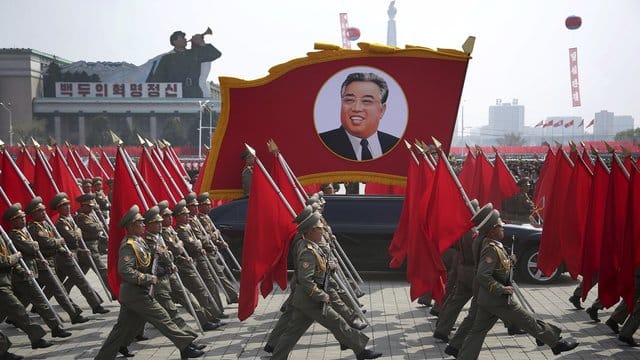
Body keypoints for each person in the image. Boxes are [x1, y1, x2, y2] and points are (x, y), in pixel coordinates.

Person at [456, 209, 579, 359]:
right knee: (528, 321)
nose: (503, 228)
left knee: (477, 332)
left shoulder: (493, 245)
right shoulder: (490, 249)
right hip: (498, 300)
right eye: (500, 225)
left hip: (488, 299)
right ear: (492, 230)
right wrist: (501, 289)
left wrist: (510, 260)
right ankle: (555, 343)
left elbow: (497, 267)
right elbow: (483, 274)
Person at [94, 205, 204, 359]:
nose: (143, 225)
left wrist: (158, 256)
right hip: (135, 292)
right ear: (132, 226)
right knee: (163, 318)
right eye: (140, 223)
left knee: (123, 327)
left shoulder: (140, 241)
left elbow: (147, 263)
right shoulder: (128, 245)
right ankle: (185, 346)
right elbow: (125, 270)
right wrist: (147, 278)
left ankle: (109, 353)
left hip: (136, 292)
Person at [270, 211, 381, 360]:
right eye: (319, 228)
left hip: (306, 300)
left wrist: (330, 267)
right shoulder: (307, 251)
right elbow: (305, 279)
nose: (322, 231)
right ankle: (361, 350)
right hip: (312, 300)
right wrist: (320, 294)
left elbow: (318, 270)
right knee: (337, 322)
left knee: (293, 331)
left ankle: (277, 357)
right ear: (310, 232)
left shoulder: (313, 246)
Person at [1, 204, 54, 351]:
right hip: (2, 285)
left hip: (7, 280)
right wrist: (16, 257)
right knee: (19, 309)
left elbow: (8, 258)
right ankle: (36, 338)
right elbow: (4, 260)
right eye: (19, 218)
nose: (23, 220)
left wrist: (19, 268)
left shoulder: (3, 237)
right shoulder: (11, 235)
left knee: (14, 309)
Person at [319, 72, 399, 161]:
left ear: (382, 110)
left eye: (367, 101)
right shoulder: (321, 143)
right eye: (349, 100)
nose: (356, 108)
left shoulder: (396, 145)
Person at [148, 30, 221, 98]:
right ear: (174, 41)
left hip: (194, 92)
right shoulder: (167, 58)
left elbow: (216, 54)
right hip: (174, 93)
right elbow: (158, 79)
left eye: (185, 37)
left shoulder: (194, 53)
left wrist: (202, 43)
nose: (185, 39)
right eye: (182, 38)